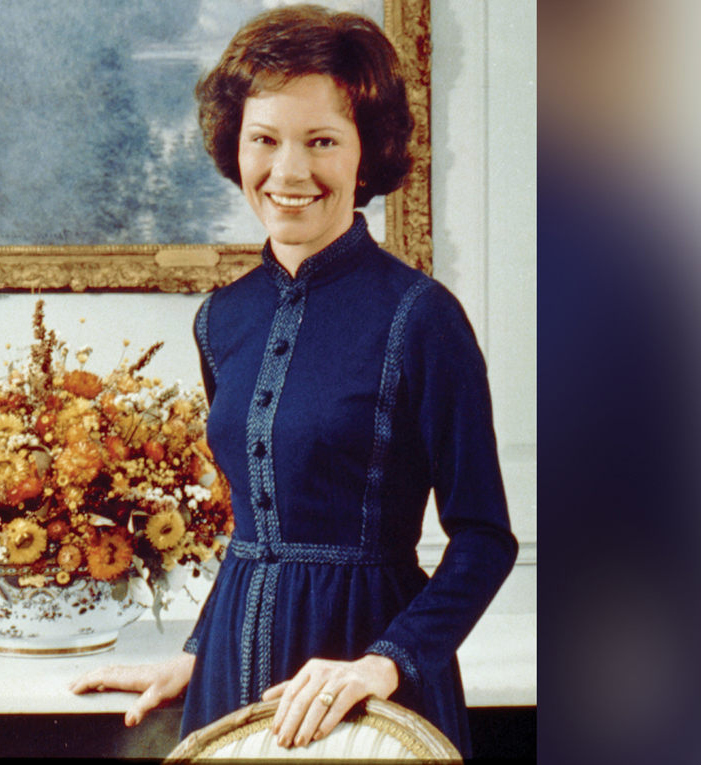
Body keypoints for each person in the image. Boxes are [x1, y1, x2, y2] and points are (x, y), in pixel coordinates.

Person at [71, 6, 517, 757]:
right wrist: (197, 649)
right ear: (233, 146)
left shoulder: (423, 318)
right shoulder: (222, 319)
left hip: (364, 681)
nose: (288, 172)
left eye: (321, 141)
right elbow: (255, 527)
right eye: (264, 140)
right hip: (230, 680)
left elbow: (485, 539)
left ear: (365, 155)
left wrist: (384, 663)